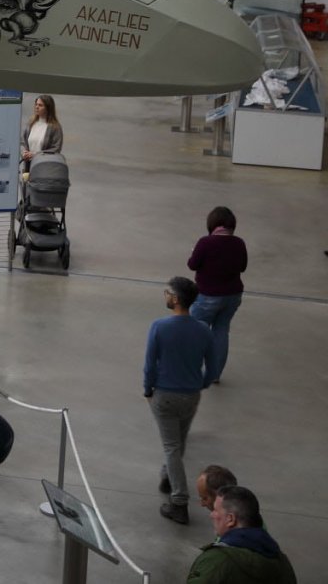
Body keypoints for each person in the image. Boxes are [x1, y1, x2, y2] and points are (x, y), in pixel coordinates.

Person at [144, 276, 214, 524]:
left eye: (167, 293)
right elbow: (213, 365)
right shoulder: (203, 330)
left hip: (165, 395)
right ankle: (167, 476)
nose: (165, 295)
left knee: (171, 446)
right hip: (191, 395)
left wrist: (148, 390)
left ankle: (179, 501)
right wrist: (202, 383)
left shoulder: (159, 327)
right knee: (179, 440)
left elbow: (150, 364)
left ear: (175, 299)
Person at [187, 485, 296, 583]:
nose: (211, 515)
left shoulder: (215, 562)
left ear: (230, 519)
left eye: (215, 510)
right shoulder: (282, 562)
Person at [188, 206, 246, 385]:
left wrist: (195, 253)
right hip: (232, 296)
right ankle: (214, 374)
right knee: (221, 331)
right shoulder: (239, 243)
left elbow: (192, 264)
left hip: (208, 296)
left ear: (212, 224)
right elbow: (242, 267)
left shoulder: (205, 243)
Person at [20, 94, 63, 168]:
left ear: (48, 108)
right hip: (28, 165)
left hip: (44, 167)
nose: (37, 107)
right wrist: (24, 152)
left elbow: (56, 149)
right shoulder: (31, 124)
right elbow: (22, 142)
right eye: (36, 104)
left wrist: (36, 155)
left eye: (40, 105)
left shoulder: (55, 128)